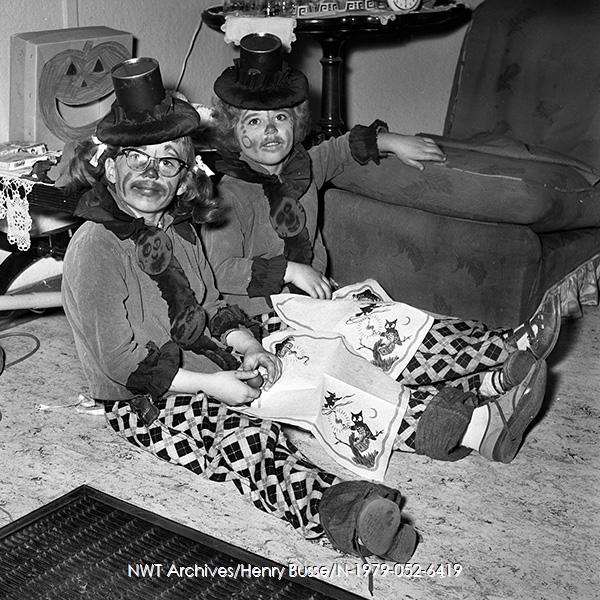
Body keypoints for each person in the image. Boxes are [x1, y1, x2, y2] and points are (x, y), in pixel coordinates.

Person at [59, 56, 421, 575]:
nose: (150, 174)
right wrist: (213, 387)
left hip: (207, 362)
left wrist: (247, 346)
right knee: (247, 441)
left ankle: (432, 423)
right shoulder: (96, 246)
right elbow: (120, 361)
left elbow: (207, 305)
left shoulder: (179, 231)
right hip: (146, 398)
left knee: (318, 378)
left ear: (185, 179)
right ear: (110, 167)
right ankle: (348, 519)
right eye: (135, 160)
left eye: (167, 162)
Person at [202, 33, 561, 463]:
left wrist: (390, 141)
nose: (270, 132)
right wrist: (289, 270)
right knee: (351, 370)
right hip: (264, 321)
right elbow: (220, 268)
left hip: (319, 304)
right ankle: (478, 407)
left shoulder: (303, 166)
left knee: (395, 327)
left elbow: (339, 149)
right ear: (231, 131)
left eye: (279, 118)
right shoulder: (227, 194)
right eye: (253, 123)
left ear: (295, 122)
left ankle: (499, 360)